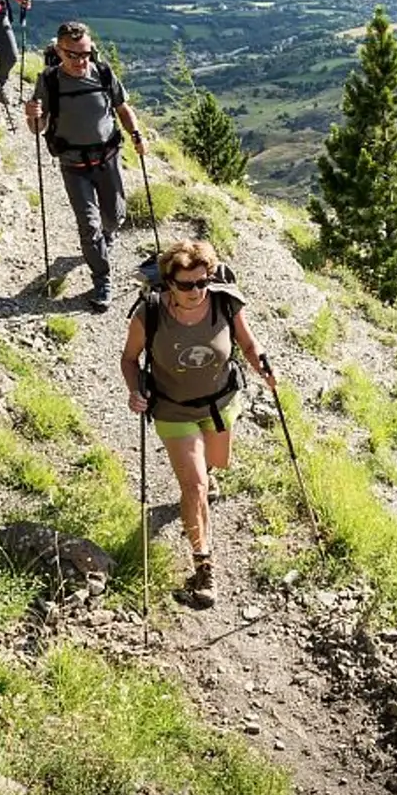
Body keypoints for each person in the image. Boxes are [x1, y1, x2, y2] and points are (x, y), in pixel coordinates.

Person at [120, 239, 276, 608]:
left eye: (201, 281)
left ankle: (206, 473)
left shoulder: (223, 302)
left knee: (218, 463)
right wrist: (134, 390)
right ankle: (203, 566)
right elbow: (129, 359)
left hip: (220, 402)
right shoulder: (150, 313)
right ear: (169, 282)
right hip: (173, 410)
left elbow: (248, 344)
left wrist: (263, 366)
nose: (195, 291)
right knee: (194, 486)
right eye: (186, 284)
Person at [23, 21, 146, 311]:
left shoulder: (103, 72)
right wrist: (33, 116)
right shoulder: (49, 80)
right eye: (73, 55)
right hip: (73, 165)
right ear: (59, 51)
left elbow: (122, 109)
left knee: (114, 217)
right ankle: (102, 279)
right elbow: (39, 127)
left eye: (86, 54)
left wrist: (137, 135)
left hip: (108, 158)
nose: (81, 61)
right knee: (88, 227)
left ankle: (108, 236)